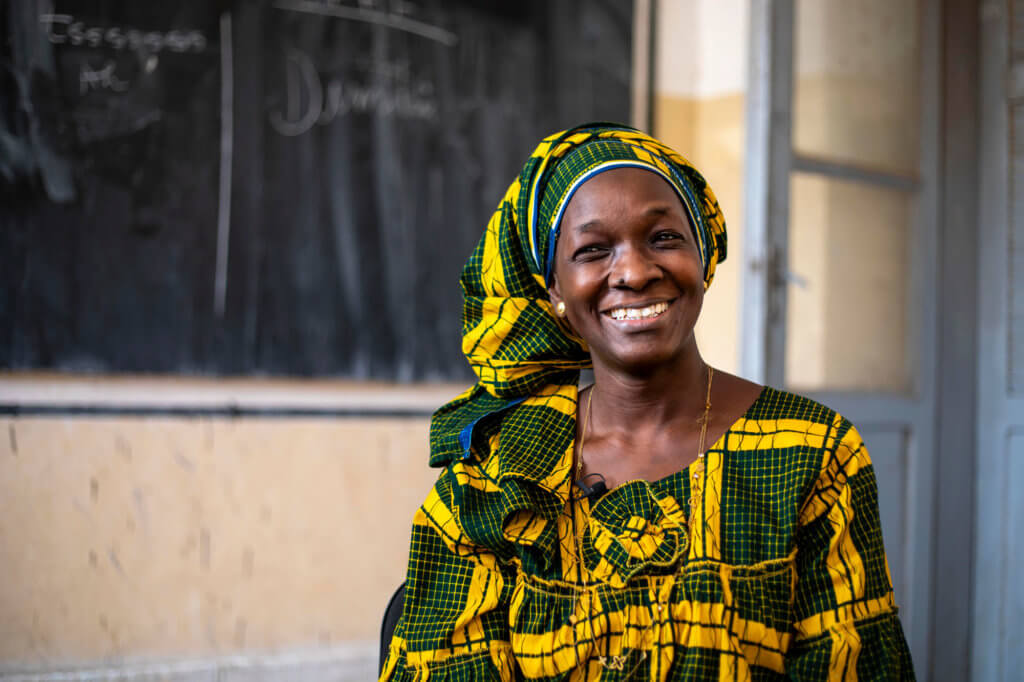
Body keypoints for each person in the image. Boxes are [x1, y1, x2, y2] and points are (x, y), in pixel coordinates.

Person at [379, 123, 914, 681]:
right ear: (555, 289)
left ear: (702, 253)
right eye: (592, 250)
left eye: (663, 238)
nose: (634, 272)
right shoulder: (497, 473)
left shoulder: (813, 452)